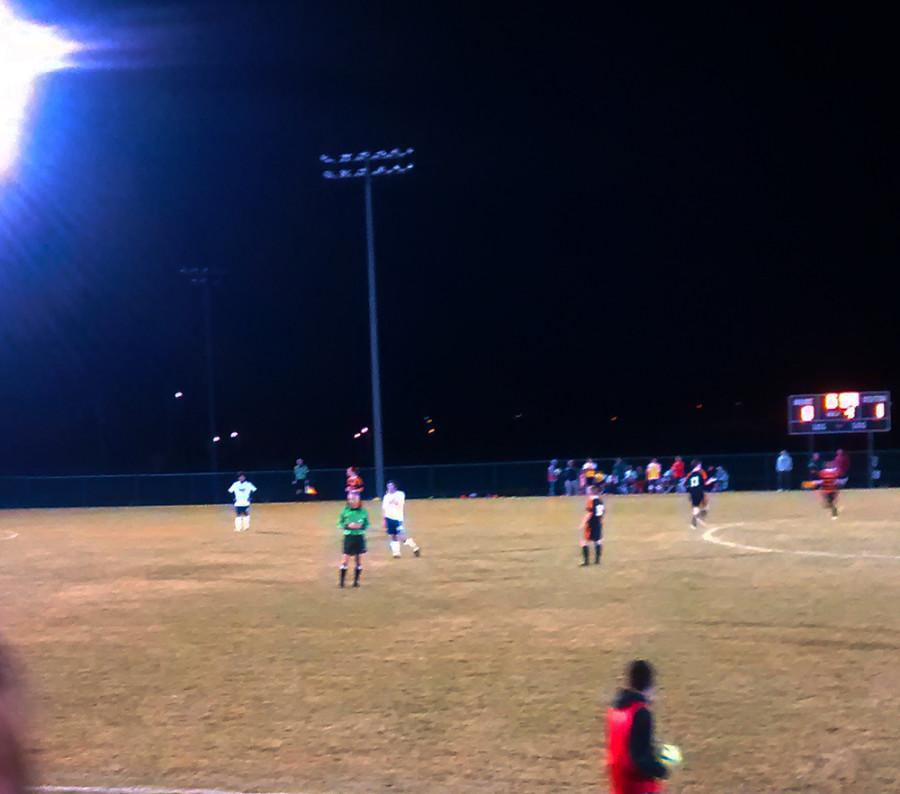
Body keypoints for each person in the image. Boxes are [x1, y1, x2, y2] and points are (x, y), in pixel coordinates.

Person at [606, 659, 678, 794]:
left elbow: (628, 744)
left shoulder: (616, 710)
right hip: (638, 786)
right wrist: (661, 770)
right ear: (649, 685)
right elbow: (639, 757)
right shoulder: (640, 713)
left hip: (619, 783)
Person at [338, 491, 369, 587]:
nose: (351, 501)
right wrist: (348, 525)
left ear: (358, 500)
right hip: (349, 537)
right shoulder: (345, 511)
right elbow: (339, 523)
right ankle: (342, 582)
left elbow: (367, 524)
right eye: (350, 499)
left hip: (359, 537)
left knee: (358, 560)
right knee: (345, 560)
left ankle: (356, 582)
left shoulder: (363, 512)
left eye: (354, 499)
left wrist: (360, 526)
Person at [382, 481, 421, 558]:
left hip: (398, 518)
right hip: (389, 518)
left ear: (395, 487)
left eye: (391, 486)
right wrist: (384, 519)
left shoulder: (400, 494)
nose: (389, 488)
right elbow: (384, 508)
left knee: (400, 536)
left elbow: (399, 503)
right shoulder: (386, 496)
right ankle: (396, 553)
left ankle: (414, 547)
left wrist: (392, 499)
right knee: (393, 535)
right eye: (388, 486)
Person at [580, 485, 604, 566]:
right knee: (597, 541)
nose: (588, 492)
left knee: (584, 542)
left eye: (589, 490)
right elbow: (602, 513)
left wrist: (583, 523)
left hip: (591, 524)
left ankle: (586, 562)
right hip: (598, 523)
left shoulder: (590, 500)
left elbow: (589, 513)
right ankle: (597, 561)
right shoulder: (600, 500)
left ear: (592, 491)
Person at [685, 460, 710, 528]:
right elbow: (705, 482)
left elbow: (686, 484)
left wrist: (690, 493)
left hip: (692, 492)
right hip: (700, 491)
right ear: (698, 465)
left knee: (696, 507)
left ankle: (693, 523)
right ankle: (699, 518)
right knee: (706, 506)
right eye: (700, 464)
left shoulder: (689, 474)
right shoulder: (701, 472)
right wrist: (711, 481)